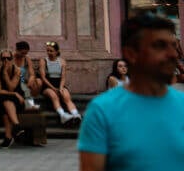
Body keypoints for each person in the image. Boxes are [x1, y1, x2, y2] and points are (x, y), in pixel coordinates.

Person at [78, 14, 184, 171]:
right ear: (131, 53)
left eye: (173, 46)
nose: (173, 54)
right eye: (160, 46)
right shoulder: (103, 111)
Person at [36, 40, 81, 126]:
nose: (49, 52)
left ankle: (76, 115)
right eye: (48, 50)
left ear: (57, 52)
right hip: (48, 84)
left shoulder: (62, 61)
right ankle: (63, 115)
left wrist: (60, 88)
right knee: (54, 96)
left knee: (66, 96)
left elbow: (63, 77)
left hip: (59, 83)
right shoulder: (43, 61)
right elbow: (43, 77)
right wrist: (53, 88)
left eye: (51, 51)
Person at [0, 49, 26, 148]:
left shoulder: (17, 70)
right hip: (7, 97)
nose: (6, 60)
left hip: (17, 100)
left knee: (5, 102)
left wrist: (5, 74)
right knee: (4, 100)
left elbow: (11, 87)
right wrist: (15, 94)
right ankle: (17, 126)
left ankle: (8, 137)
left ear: (12, 59)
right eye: (3, 58)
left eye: (8, 58)